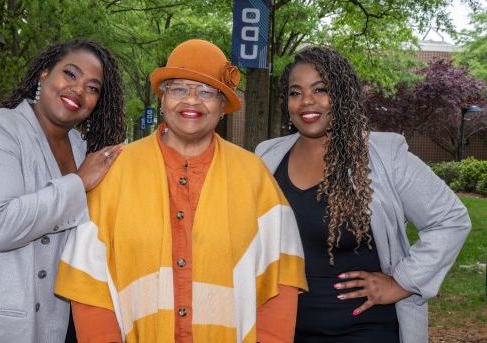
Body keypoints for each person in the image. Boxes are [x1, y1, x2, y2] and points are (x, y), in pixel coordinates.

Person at [55, 39, 308, 342]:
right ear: (162, 99)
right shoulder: (116, 171)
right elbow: (88, 282)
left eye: (206, 91)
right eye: (178, 89)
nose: (192, 100)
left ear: (222, 105)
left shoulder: (254, 175)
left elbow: (280, 280)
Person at [255, 46, 471, 343]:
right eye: (295, 92)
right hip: (283, 328)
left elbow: (450, 218)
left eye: (320, 89)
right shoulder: (267, 156)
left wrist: (402, 282)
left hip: (365, 329)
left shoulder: (384, 155)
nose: (306, 101)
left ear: (343, 96)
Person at [0, 39, 126, 342]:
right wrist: (79, 183)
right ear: (43, 74)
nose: (78, 89)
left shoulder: (83, 150)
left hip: (53, 325)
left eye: (93, 88)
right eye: (70, 74)